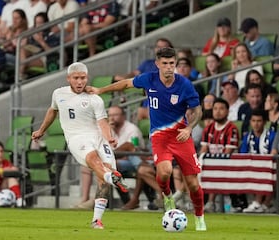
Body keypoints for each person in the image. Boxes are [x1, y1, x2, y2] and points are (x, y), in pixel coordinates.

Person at [86, 47, 207, 231]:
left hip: (181, 136)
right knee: (164, 171)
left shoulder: (184, 84)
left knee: (192, 183)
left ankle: (199, 217)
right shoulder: (149, 79)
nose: (168, 67)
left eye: (172, 64)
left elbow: (197, 110)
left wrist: (190, 128)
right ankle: (167, 196)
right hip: (160, 136)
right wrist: (101, 90)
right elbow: (126, 84)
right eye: (165, 63)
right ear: (158, 64)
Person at [31, 62, 129, 230]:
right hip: (76, 137)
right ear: (68, 78)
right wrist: (41, 130)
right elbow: (52, 111)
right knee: (93, 159)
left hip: (98, 137)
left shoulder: (94, 98)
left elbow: (103, 122)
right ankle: (112, 177)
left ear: (87, 78)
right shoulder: (58, 94)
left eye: (83, 78)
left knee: (102, 177)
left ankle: (96, 219)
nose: (79, 82)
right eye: (76, 78)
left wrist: (109, 138)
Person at [199, 98, 239, 213]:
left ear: (227, 111)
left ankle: (213, 202)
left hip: (229, 164)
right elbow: (204, 149)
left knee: (216, 167)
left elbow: (228, 153)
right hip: (212, 163)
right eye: (215, 109)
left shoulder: (232, 129)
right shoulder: (208, 129)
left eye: (221, 109)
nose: (217, 111)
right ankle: (195, 200)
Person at [240, 109, 276, 213]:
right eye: (254, 121)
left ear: (265, 122)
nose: (256, 124)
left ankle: (261, 203)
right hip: (251, 167)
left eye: (259, 121)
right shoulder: (247, 137)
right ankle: (256, 202)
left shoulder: (272, 135)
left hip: (268, 167)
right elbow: (243, 154)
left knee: (265, 170)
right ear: (250, 122)